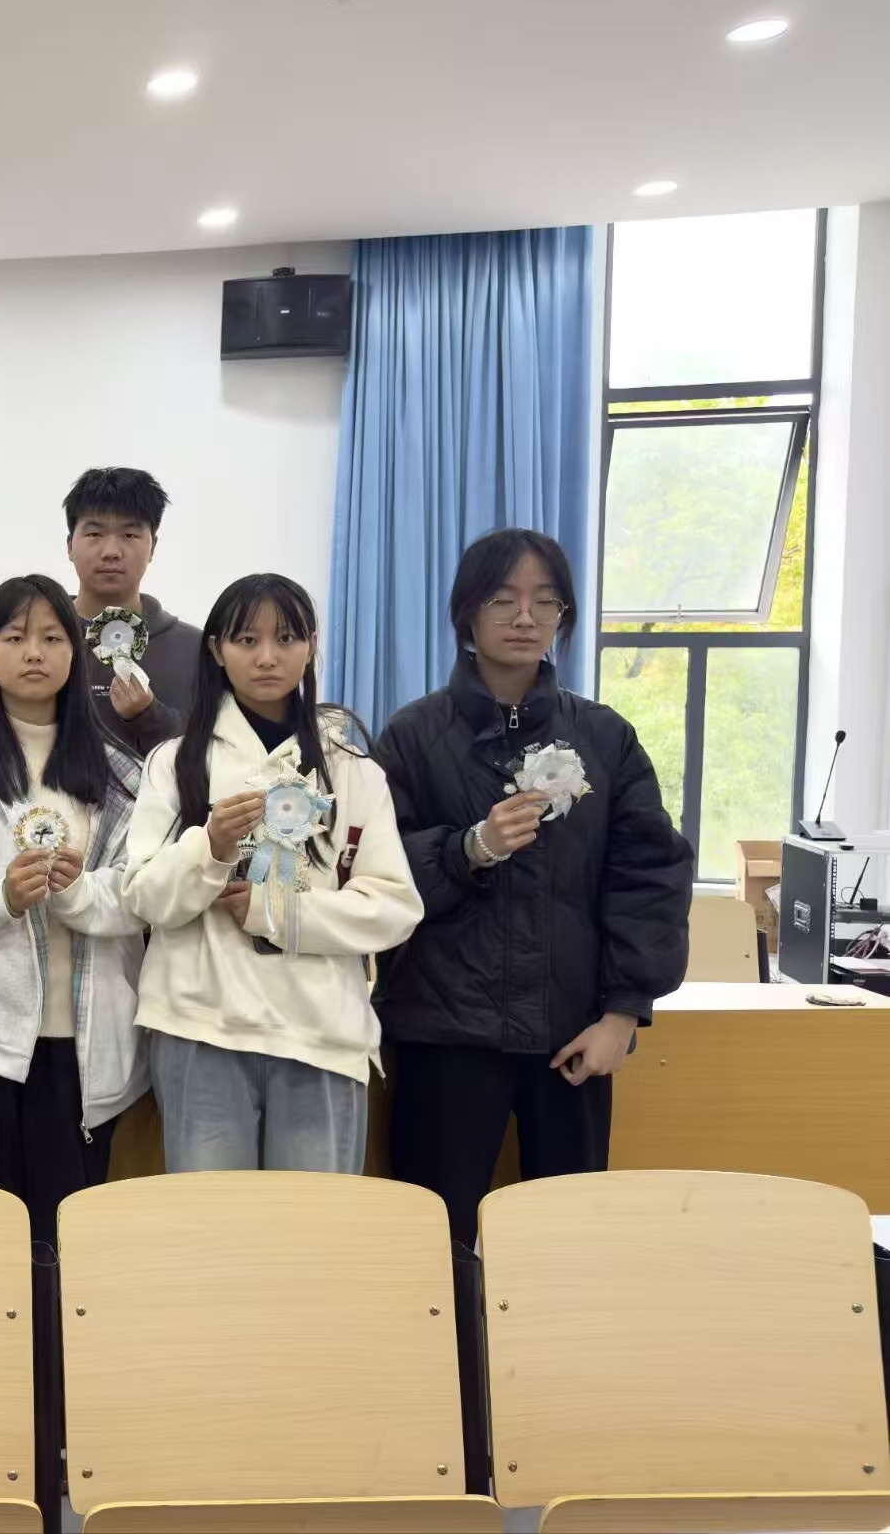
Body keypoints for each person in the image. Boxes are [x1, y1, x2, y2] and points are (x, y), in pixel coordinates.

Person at [372, 529, 692, 1243]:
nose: (525, 617)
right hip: (445, 1034)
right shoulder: (413, 736)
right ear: (466, 612)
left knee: (567, 1243)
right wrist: (468, 849)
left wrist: (623, 1014)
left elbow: (648, 877)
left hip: (570, 1033)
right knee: (435, 1240)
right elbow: (376, 872)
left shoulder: (604, 738)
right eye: (503, 600)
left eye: (546, 602)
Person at [122, 573, 421, 1176]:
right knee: (211, 1223)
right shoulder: (175, 762)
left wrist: (274, 913)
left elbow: (394, 909)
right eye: (246, 640)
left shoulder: (353, 770)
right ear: (216, 649)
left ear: (311, 647)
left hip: (320, 1032)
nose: (266, 657)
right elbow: (143, 898)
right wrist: (210, 847)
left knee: (311, 1227)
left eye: (286, 639)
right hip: (202, 1026)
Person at [0, 574, 148, 1246]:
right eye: (14, 637)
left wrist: (77, 892)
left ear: (75, 652)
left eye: (50, 637)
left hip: (84, 1043)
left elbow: (138, 896)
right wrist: (2, 896)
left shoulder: (120, 773)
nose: (33, 652)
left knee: (63, 1241)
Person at [63, 467, 203, 757]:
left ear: (153, 547)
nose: (111, 551)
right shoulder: (35, 642)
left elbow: (215, 755)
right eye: (94, 533)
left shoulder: (195, 650)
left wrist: (150, 716)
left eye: (129, 534)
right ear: (70, 546)